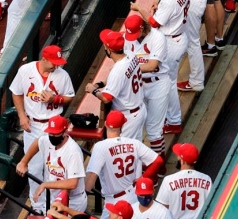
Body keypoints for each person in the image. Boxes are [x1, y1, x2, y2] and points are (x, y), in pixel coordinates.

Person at [9, 45, 75, 211]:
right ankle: (38, 205)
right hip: (33, 125)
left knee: (56, 168)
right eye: (54, 62)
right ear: (43, 59)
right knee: (35, 167)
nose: (56, 65)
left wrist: (56, 99)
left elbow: (69, 97)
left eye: (58, 62)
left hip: (55, 126)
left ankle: (56, 204)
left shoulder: (63, 75)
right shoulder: (25, 71)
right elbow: (16, 92)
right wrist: (22, 115)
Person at [130, 0, 190, 135]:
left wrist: (139, 9)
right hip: (179, 36)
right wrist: (160, 6)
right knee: (168, 81)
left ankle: (174, 121)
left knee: (168, 84)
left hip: (171, 43)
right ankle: (170, 119)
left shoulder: (169, 0)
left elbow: (154, 23)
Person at [86, 111, 164, 219]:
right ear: (122, 126)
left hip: (115, 202)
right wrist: (143, 178)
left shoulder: (100, 146)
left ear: (105, 124)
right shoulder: (134, 143)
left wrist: (81, 194)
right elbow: (158, 160)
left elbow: (91, 178)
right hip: (132, 195)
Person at [16, 115, 87, 213]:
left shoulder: (73, 151)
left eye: (56, 134)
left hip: (72, 201)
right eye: (51, 134)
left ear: (65, 132)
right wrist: (24, 162)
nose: (52, 137)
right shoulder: (47, 140)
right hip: (54, 198)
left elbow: (72, 183)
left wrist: (45, 185)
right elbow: (37, 142)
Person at [85, 30, 147, 141]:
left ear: (108, 49)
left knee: (124, 153)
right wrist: (100, 84)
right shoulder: (130, 54)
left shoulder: (118, 70)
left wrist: (93, 90)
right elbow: (118, 78)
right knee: (136, 151)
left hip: (128, 118)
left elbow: (106, 98)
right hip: (139, 110)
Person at [123, 14, 171, 158]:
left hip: (158, 83)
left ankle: (158, 167)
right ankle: (150, 162)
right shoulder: (128, 38)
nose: (135, 38)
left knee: (153, 130)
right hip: (139, 85)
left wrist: (128, 68)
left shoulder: (158, 37)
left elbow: (151, 65)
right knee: (139, 127)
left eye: (137, 33)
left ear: (143, 27)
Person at [157, 143, 211, 219]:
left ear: (183, 161)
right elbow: (213, 205)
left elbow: (161, 209)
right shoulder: (207, 179)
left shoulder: (168, 180)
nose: (177, 157)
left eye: (178, 156)